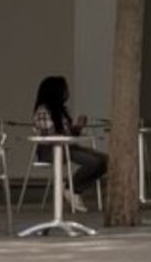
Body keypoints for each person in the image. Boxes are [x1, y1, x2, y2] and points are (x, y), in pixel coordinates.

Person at [28, 75, 111, 204]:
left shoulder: (60, 110)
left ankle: (73, 188)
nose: (67, 93)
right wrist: (68, 136)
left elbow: (66, 133)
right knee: (94, 162)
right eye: (65, 89)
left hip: (68, 147)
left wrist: (78, 127)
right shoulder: (43, 111)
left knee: (106, 160)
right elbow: (50, 136)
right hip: (51, 150)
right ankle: (72, 188)